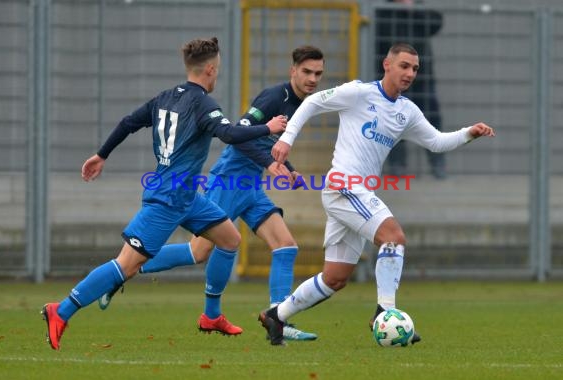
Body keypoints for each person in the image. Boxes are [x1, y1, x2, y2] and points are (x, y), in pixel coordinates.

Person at [40, 36, 287, 350]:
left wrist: (102, 155)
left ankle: (211, 316)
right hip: (168, 198)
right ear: (210, 70)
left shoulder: (164, 98)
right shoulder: (203, 104)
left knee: (229, 239)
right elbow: (229, 133)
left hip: (186, 196)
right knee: (125, 265)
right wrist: (268, 127)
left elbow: (128, 122)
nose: (217, 74)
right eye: (218, 70)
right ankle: (60, 310)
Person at [260, 42, 495, 346]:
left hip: (358, 194)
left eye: (414, 68)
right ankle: (386, 313)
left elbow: (436, 142)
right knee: (393, 237)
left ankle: (275, 316)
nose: (410, 73)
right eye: (404, 66)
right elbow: (314, 101)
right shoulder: (360, 93)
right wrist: (287, 138)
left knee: (335, 278)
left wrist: (468, 134)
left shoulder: (407, 111)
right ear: (387, 65)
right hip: (344, 185)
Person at [98, 46, 326, 341]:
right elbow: (239, 137)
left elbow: (270, 142)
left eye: (318, 73)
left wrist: (287, 167)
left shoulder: (302, 104)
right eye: (306, 72)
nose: (312, 79)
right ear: (293, 71)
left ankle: (278, 318)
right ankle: (124, 270)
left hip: (251, 185)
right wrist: (270, 163)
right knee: (199, 251)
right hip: (230, 179)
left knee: (285, 246)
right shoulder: (274, 98)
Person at [376, 0, 447, 179]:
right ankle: (397, 166)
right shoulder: (384, 11)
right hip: (394, 80)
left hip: (422, 79)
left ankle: (438, 166)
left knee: (431, 121)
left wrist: (412, 9)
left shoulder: (419, 9)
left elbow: (435, 23)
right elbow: (380, 33)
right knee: (393, 123)